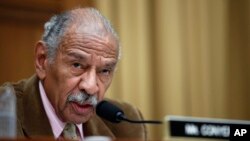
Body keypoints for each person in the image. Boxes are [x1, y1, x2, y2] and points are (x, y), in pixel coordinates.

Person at [0, 7, 146, 140]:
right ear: (42, 60)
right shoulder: (5, 113)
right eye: (77, 65)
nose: (90, 87)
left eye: (104, 71)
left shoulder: (128, 123)